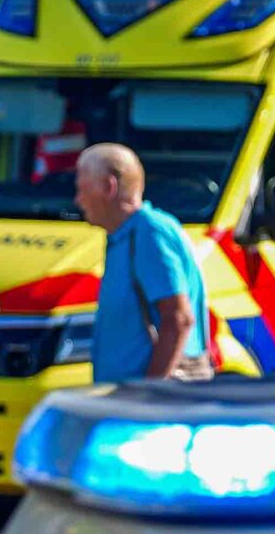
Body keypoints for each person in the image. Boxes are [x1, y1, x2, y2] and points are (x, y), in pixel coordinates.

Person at [76, 142, 211, 382]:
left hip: (152, 405)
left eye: (82, 188)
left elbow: (178, 319)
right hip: (131, 399)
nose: (78, 200)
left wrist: (149, 391)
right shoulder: (124, 235)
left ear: (109, 187)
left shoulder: (149, 231)